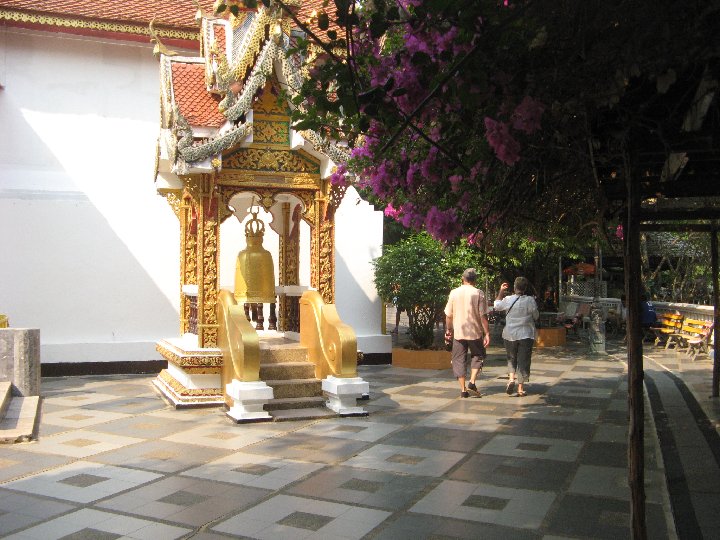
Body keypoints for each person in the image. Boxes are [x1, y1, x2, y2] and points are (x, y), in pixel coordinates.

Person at [444, 268, 490, 398]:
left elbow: (448, 315)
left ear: (462, 279)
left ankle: (463, 389)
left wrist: (448, 330)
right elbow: (483, 316)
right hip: (475, 332)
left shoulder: (454, 293)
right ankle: (472, 381)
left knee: (458, 359)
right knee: (478, 355)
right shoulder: (478, 293)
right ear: (475, 280)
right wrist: (487, 333)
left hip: (459, 332)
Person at [494, 277, 539, 397]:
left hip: (510, 334)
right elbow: (536, 316)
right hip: (526, 334)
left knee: (511, 358)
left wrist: (501, 291)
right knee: (523, 360)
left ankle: (511, 379)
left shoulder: (508, 299)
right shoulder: (530, 300)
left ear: (514, 287)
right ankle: (520, 388)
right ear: (525, 288)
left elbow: (497, 306)